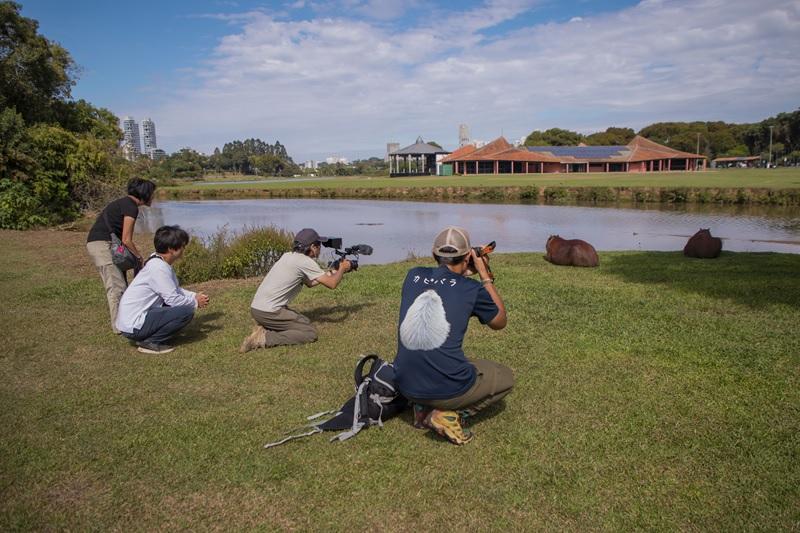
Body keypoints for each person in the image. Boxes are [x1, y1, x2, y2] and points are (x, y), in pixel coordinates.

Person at [393, 226, 513, 445]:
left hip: (404, 383)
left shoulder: (413, 275)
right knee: (504, 377)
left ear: (433, 254)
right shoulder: (471, 288)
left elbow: (445, 282)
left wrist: (463, 273)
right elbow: (500, 322)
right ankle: (444, 414)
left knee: (458, 360)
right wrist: (485, 276)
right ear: (468, 257)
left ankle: (420, 407)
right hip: (443, 388)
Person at [240, 228, 351, 352]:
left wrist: (332, 272)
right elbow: (332, 284)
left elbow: (310, 282)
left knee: (303, 321)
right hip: (269, 312)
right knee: (309, 333)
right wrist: (342, 268)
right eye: (319, 245)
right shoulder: (305, 262)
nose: (320, 248)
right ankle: (263, 338)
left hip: (257, 309)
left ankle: (266, 327)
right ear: (313, 247)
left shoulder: (288, 256)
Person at [116, 225, 210, 354]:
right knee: (186, 311)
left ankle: (151, 336)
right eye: (182, 246)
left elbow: (173, 290)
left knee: (181, 307)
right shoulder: (159, 268)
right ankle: (151, 342)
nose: (184, 249)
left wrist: (194, 296)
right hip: (134, 325)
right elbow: (173, 299)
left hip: (133, 321)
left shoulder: (157, 261)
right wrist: (195, 303)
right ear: (171, 249)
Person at [86, 178, 156, 333]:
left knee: (121, 283)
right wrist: (139, 257)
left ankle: (124, 321)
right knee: (117, 287)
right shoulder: (131, 207)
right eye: (152, 193)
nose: (153, 197)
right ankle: (120, 327)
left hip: (103, 244)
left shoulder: (125, 203)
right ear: (144, 193)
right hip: (103, 245)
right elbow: (126, 239)